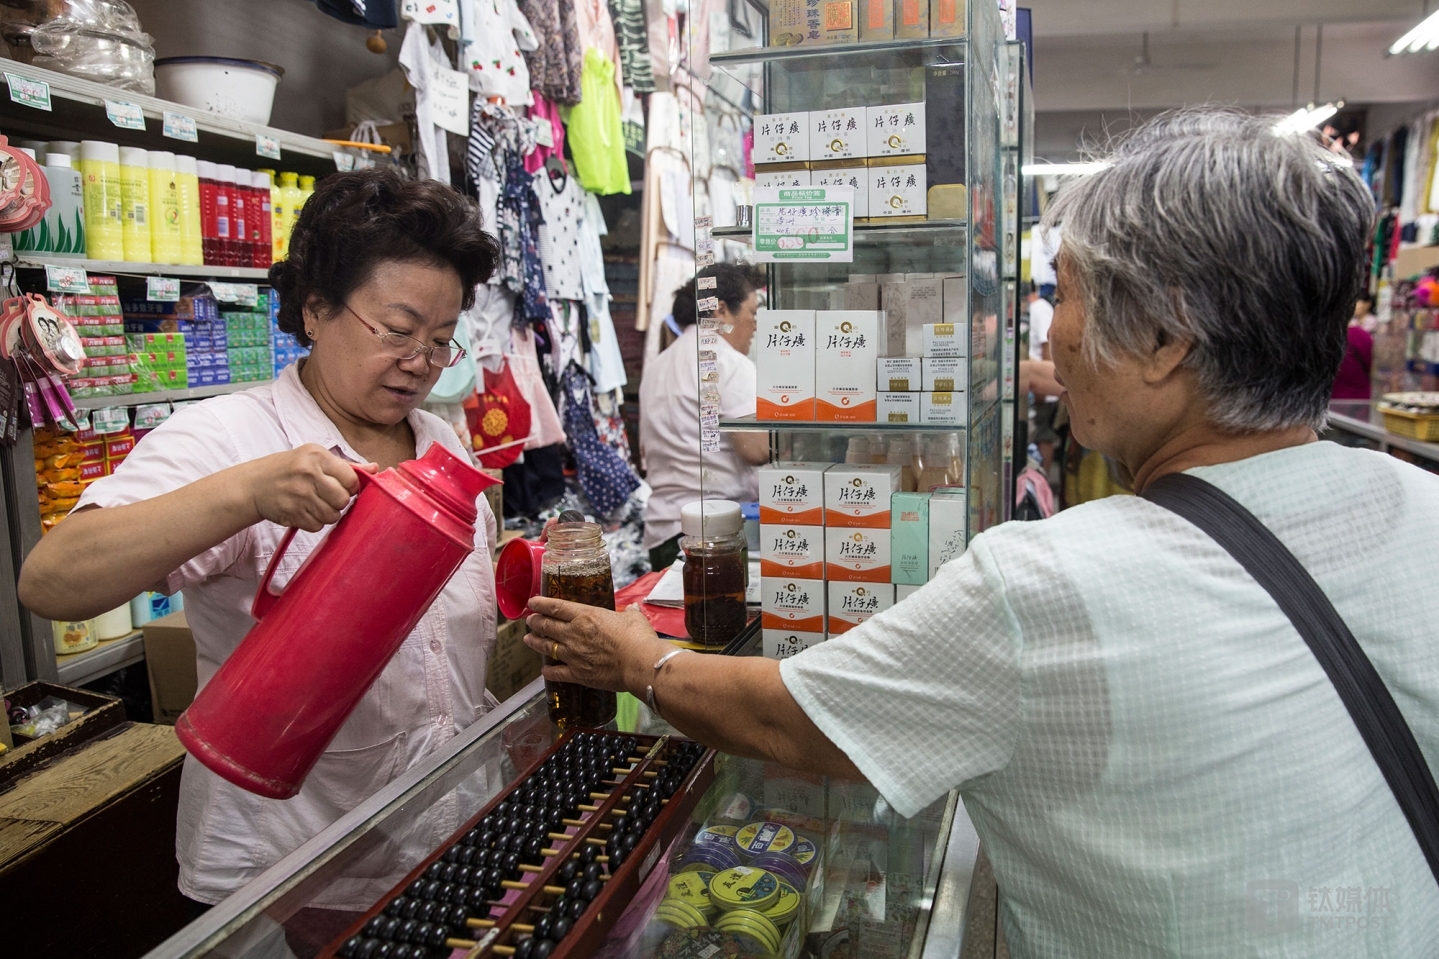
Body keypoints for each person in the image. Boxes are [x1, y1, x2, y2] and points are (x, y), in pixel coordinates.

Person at [524, 111, 1439, 955]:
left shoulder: (1052, 585)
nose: (1056, 338)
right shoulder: (1422, 507)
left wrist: (641, 660)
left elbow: (794, 720)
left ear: (1163, 335)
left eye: (1068, 295)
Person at [19, 169, 503, 924]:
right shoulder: (230, 438)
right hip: (300, 865)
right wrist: (243, 494)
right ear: (314, 310)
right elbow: (51, 581)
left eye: (441, 341)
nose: (420, 360)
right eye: (398, 330)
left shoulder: (439, 442)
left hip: (447, 833)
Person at [639, 263, 769, 571]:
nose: (754, 326)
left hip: (661, 531)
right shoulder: (729, 363)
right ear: (721, 310)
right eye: (752, 314)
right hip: (711, 534)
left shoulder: (658, 365)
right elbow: (756, 449)